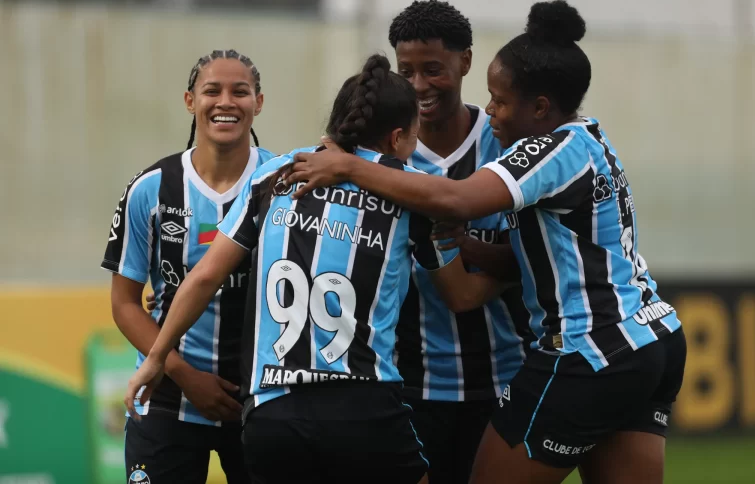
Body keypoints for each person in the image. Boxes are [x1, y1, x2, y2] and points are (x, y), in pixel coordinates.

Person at [282, 0, 687, 484]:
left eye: (499, 99)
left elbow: (454, 201)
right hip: (651, 336)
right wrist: (469, 249)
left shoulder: (547, 148)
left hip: (586, 347)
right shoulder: (591, 139)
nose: (490, 107)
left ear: (539, 108)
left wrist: (348, 166)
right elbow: (554, 255)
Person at [122, 54, 510, 484]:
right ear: (399, 137)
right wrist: (520, 270)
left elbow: (205, 276)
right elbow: (463, 295)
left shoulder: (276, 174)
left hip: (273, 410)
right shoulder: (410, 195)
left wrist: (155, 359)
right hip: (364, 405)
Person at [102, 49, 275, 484]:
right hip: (166, 397)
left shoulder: (284, 181)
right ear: (189, 100)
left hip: (259, 398)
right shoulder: (151, 189)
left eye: (240, 92)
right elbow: (125, 304)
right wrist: (182, 373)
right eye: (211, 91)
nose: (225, 102)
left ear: (259, 102)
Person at [388, 0, 528, 484]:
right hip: (409, 386)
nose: (419, 85)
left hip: (506, 381)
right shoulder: (383, 157)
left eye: (433, 70)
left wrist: (471, 249)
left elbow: (548, 256)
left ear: (465, 61)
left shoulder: (508, 143)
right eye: (406, 71)